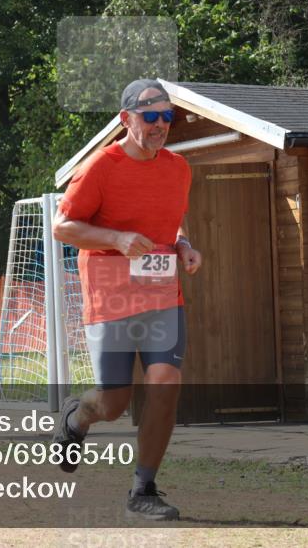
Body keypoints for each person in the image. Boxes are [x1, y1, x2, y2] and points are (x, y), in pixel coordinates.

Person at [51, 78, 202, 521]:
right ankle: (78, 418)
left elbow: (171, 223)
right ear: (126, 119)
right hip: (110, 294)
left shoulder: (178, 168)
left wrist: (183, 246)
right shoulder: (101, 166)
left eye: (166, 117)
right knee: (113, 404)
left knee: (165, 381)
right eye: (150, 117)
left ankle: (144, 487)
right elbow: (63, 226)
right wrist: (116, 238)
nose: (160, 125)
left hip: (161, 293)